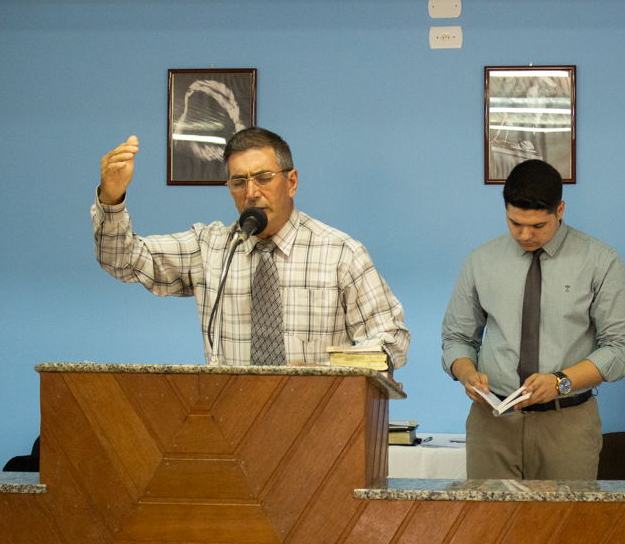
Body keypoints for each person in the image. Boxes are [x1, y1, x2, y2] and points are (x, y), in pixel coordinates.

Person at [93, 127, 410, 367]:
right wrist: (111, 198)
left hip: (319, 420)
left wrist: (328, 372)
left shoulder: (340, 254)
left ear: (291, 182)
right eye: (239, 182)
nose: (251, 192)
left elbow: (391, 339)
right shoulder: (210, 248)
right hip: (232, 422)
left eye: (263, 178)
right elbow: (121, 259)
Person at [441, 159, 625, 480]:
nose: (525, 234)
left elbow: (617, 349)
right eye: (515, 223)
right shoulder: (481, 260)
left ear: (560, 210)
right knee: (488, 514)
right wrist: (467, 374)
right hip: (492, 424)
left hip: (567, 424)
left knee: (565, 514)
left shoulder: (601, 262)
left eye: (538, 225)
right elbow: (457, 337)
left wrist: (560, 382)